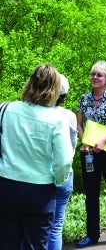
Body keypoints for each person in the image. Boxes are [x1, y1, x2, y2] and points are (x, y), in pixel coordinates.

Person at [0, 64, 73, 250]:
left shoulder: (5, 109)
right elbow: (63, 161)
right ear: (55, 89)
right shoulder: (57, 120)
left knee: (6, 243)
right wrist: (58, 181)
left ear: (30, 82)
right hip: (40, 189)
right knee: (36, 245)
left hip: (6, 184)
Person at [76, 61, 106, 248]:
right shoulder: (84, 98)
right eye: (93, 74)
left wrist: (103, 141)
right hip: (89, 152)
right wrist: (86, 141)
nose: (95, 77)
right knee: (91, 194)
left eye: (99, 75)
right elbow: (79, 124)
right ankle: (92, 235)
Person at [48, 74, 78, 250]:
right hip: (65, 175)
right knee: (56, 225)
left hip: (41, 176)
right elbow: (72, 145)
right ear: (65, 95)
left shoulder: (36, 113)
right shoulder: (69, 116)